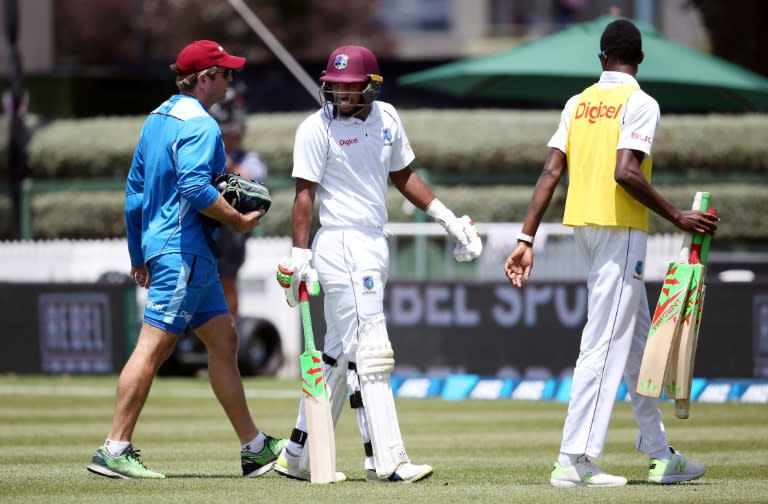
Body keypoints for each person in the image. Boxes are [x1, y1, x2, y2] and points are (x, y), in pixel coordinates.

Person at [504, 19, 719, 488]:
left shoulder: (578, 103)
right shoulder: (641, 103)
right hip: (621, 231)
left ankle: (659, 453)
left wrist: (525, 239)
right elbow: (626, 172)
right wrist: (677, 217)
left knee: (636, 343)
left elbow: (549, 173)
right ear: (639, 59)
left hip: (585, 227)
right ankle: (574, 458)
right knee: (603, 343)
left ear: (602, 58)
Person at [273, 45, 482, 483]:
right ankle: (388, 461)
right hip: (342, 244)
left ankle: (297, 455)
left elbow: (403, 175)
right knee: (372, 351)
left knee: (337, 353)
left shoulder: (387, 118)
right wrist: (299, 257)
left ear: (371, 86)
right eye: (335, 88)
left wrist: (447, 217)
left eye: (351, 89)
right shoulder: (315, 129)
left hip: (373, 242)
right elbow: (304, 195)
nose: (342, 97)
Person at [86, 40, 285, 480]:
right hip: (183, 250)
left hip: (176, 249)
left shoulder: (157, 119)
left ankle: (253, 447)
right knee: (152, 348)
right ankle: (114, 448)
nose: (230, 81)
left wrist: (139, 252)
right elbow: (196, 190)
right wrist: (236, 219)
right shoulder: (202, 124)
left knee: (224, 340)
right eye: (224, 73)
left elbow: (135, 191)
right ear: (203, 79)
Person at [209, 85, 269, 316]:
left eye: (230, 135)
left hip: (229, 235)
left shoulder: (249, 159)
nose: (227, 139)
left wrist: (227, 164)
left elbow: (253, 183)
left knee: (226, 281)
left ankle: (229, 331)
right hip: (204, 230)